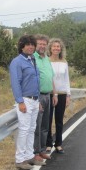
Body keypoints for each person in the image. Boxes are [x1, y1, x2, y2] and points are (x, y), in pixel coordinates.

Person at [9, 35, 45, 170]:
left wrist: (39, 100)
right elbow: (15, 83)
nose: (30, 47)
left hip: (35, 99)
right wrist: (20, 101)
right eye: (27, 44)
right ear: (22, 47)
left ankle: (29, 156)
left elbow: (36, 81)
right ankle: (20, 159)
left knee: (31, 129)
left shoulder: (33, 59)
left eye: (32, 44)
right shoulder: (17, 62)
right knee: (24, 130)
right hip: (25, 100)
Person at [33, 34, 58, 162]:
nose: (42, 46)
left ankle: (42, 150)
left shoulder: (47, 59)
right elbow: (32, 81)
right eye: (40, 44)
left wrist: (54, 94)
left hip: (48, 95)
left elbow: (51, 77)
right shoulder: (33, 59)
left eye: (44, 44)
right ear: (35, 45)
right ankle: (35, 152)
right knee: (37, 126)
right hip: (38, 96)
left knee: (45, 126)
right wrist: (36, 100)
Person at [46, 38, 71, 154]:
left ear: (61, 49)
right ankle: (48, 144)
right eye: (54, 46)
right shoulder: (46, 61)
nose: (56, 48)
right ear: (50, 48)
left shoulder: (64, 62)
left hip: (62, 94)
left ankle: (59, 143)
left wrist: (68, 95)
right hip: (49, 94)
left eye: (58, 46)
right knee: (48, 120)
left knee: (59, 120)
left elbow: (67, 79)